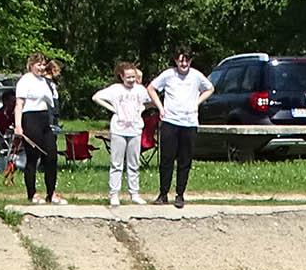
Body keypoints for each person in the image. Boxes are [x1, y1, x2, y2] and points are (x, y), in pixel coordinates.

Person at [149, 49, 214, 208]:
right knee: (167, 159)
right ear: (176, 61)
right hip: (170, 121)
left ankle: (180, 194)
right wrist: (160, 107)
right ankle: (163, 193)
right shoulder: (168, 75)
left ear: (190, 61)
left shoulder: (196, 76)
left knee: (185, 160)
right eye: (180, 61)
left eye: (186, 61)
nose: (183, 64)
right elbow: (151, 88)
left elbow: (210, 88)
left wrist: (197, 102)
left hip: (189, 122)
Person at [91, 62, 158, 208]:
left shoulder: (140, 90)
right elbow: (96, 97)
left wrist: (142, 108)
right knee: (117, 163)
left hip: (135, 129)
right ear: (121, 76)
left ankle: (134, 193)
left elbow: (152, 101)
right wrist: (113, 109)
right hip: (119, 130)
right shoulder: (115, 89)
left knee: (134, 163)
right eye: (128, 77)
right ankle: (114, 194)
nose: (131, 80)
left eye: (133, 77)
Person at [13, 54, 60, 204]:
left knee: (51, 157)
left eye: (43, 64)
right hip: (30, 119)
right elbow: (19, 105)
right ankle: (32, 194)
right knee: (33, 158)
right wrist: (18, 126)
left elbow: (50, 103)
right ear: (31, 65)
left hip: (44, 119)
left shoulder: (44, 82)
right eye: (38, 64)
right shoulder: (25, 81)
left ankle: (51, 193)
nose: (41, 67)